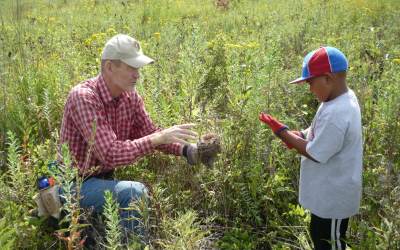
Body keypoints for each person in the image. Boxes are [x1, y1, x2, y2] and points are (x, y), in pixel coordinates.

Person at [59, 34, 200, 236]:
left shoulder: (129, 96)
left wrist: (187, 150)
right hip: (72, 185)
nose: (137, 75)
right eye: (131, 67)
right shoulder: (83, 97)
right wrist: (157, 138)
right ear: (109, 67)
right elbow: (109, 153)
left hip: (102, 182)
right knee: (135, 192)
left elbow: (150, 133)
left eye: (138, 68)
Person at [259, 47, 362, 250]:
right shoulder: (338, 99)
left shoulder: (338, 112)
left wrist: (282, 132)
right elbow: (319, 132)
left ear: (328, 78)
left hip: (334, 199)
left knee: (331, 244)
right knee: (320, 237)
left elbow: (316, 152)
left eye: (310, 82)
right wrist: (301, 135)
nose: (310, 89)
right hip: (327, 195)